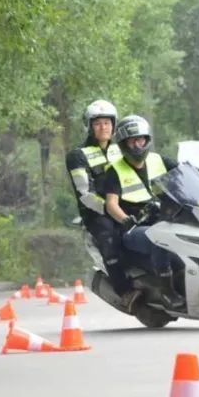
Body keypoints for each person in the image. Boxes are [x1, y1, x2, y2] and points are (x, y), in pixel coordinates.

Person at [103, 115, 184, 309]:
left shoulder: (158, 160)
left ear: (147, 140)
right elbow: (111, 204)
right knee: (160, 238)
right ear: (124, 144)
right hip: (135, 228)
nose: (138, 145)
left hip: (163, 218)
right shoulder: (115, 170)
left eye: (141, 139)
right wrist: (126, 220)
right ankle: (167, 291)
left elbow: (182, 173)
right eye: (132, 141)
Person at [65, 99, 128, 294]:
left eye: (107, 123)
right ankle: (125, 291)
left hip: (126, 207)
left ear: (114, 124)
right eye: (98, 123)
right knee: (109, 238)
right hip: (97, 213)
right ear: (89, 126)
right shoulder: (78, 155)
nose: (103, 127)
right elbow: (85, 193)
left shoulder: (122, 150)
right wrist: (111, 210)